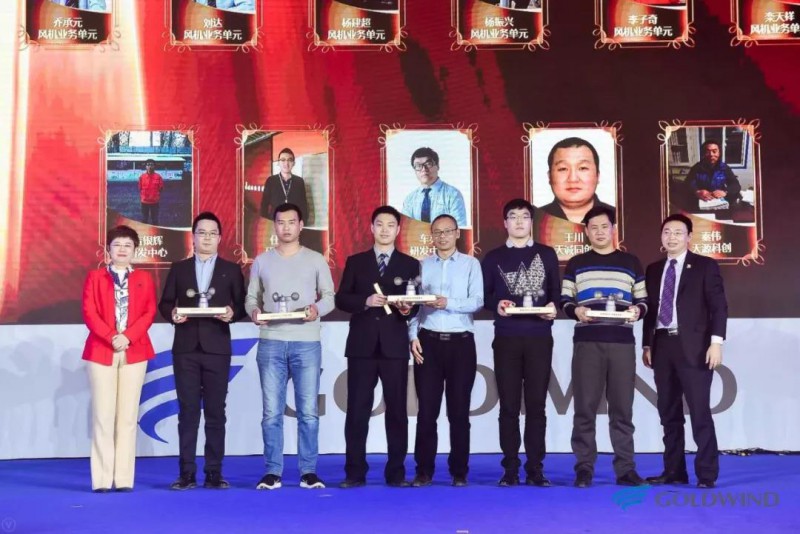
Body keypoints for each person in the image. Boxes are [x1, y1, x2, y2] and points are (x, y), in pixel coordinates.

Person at [245, 203, 335, 490]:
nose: (286, 227)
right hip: (271, 342)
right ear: (275, 226)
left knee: (308, 412)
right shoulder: (262, 261)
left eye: (291, 222)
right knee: (271, 413)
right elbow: (251, 298)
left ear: (301, 225)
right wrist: (254, 313)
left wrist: (316, 309)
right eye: (281, 222)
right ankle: (273, 472)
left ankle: (308, 472)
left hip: (306, 342)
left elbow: (329, 297)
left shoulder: (315, 259)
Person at [560, 206, 648, 488]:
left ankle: (626, 469)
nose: (599, 232)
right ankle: (584, 468)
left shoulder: (631, 262)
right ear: (586, 231)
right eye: (593, 227)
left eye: (604, 226)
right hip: (588, 342)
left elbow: (643, 301)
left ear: (613, 229)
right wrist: (576, 311)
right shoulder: (576, 263)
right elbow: (565, 300)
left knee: (622, 410)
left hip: (622, 343)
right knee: (584, 408)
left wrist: (638, 311)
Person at [158, 212, 246, 490]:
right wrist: (172, 314)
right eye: (201, 232)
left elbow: (242, 305)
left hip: (217, 348)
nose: (207, 238)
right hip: (185, 348)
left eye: (212, 233)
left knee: (216, 412)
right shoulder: (179, 268)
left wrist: (232, 313)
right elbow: (165, 303)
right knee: (188, 412)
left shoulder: (231, 270)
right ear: (193, 237)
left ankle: (213, 472)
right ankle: (186, 473)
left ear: (220, 238)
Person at [335, 206, 419, 488]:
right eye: (379, 224)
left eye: (390, 225)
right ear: (371, 228)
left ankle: (396, 472)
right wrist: (365, 301)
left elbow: (416, 304)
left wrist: (408, 309)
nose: (385, 230)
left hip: (394, 346)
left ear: (398, 230)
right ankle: (354, 472)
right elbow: (341, 299)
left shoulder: (410, 264)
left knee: (397, 412)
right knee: (357, 411)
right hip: (362, 347)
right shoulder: (356, 262)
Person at [642, 214, 727, 489]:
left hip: (695, 347)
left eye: (678, 232)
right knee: (668, 413)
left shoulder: (704, 266)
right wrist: (647, 344)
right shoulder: (654, 269)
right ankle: (674, 471)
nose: (672, 237)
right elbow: (650, 312)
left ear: (689, 237)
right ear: (661, 236)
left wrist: (716, 342)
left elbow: (719, 307)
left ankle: (707, 474)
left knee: (700, 412)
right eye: (667, 232)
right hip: (662, 345)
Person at [481, 198, 559, 487]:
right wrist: (497, 304)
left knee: (537, 406)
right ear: (505, 223)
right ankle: (510, 468)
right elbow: (485, 296)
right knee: (509, 407)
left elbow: (555, 293)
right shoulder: (493, 257)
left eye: (524, 216)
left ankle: (535, 468)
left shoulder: (547, 254)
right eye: (512, 216)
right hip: (506, 338)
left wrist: (552, 308)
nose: (518, 221)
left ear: (531, 222)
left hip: (539, 339)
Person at [408, 214, 483, 488]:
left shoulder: (470, 264)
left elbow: (477, 301)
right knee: (427, 412)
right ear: (431, 235)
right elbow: (414, 306)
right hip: (428, 342)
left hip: (461, 343)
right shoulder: (422, 265)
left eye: (448, 231)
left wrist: (447, 303)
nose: (442, 236)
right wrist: (412, 336)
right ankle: (423, 471)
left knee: (459, 412)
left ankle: (459, 471)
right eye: (437, 232)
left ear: (457, 233)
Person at [82, 225, 156, 492]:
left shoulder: (144, 278)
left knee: (127, 417)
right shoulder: (95, 277)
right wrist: (112, 336)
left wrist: (128, 337)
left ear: (135, 249)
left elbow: (149, 312)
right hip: (102, 350)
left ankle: (123, 479)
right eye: (117, 245)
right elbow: (89, 312)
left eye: (127, 245)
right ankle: (102, 480)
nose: (122, 249)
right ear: (108, 250)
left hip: (134, 350)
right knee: (103, 416)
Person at [538, 137, 615, 224]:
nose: (573, 179)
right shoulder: (534, 220)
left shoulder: (619, 218)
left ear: (597, 175)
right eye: (563, 169)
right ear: (549, 177)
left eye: (583, 168)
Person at [401, 147, 468, 228]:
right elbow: (405, 230)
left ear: (438, 166)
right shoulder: (409, 200)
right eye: (418, 166)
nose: (424, 169)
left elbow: (459, 229)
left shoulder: (453, 195)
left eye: (428, 164)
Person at [682, 139, 742, 211]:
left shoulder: (725, 168)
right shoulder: (696, 168)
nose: (711, 154)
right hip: (701, 203)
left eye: (714, 151)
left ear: (719, 153)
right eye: (707, 151)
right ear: (703, 153)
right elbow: (687, 184)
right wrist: (697, 192)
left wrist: (725, 192)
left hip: (719, 204)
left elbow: (736, 185)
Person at [259, 148, 310, 224]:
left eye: (289, 160)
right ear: (278, 163)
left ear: (294, 163)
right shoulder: (271, 181)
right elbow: (264, 204)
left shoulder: (299, 181)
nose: (286, 163)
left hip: (293, 224)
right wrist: (265, 222)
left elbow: (303, 205)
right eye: (283, 160)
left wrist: (302, 222)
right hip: (274, 223)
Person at [138, 159, 164, 226]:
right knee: (144, 219)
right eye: (148, 165)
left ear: (154, 166)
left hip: (154, 202)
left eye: (151, 165)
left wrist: (154, 195)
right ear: (146, 166)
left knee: (155, 220)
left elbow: (161, 188)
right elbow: (140, 188)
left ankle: (155, 231)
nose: (150, 166)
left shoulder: (158, 177)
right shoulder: (142, 177)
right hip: (144, 202)